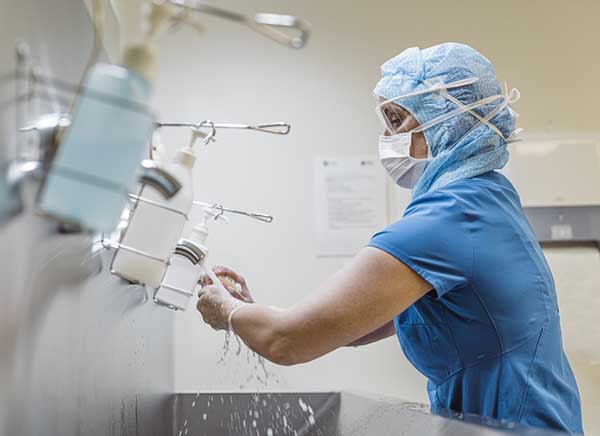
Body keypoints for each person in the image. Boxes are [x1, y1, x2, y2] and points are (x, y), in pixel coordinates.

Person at [196, 42, 584, 434]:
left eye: (396, 119)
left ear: (444, 120)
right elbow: (348, 326)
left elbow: (289, 341)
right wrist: (251, 312)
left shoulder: (446, 220)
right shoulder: (487, 197)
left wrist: (228, 311)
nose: (385, 136)